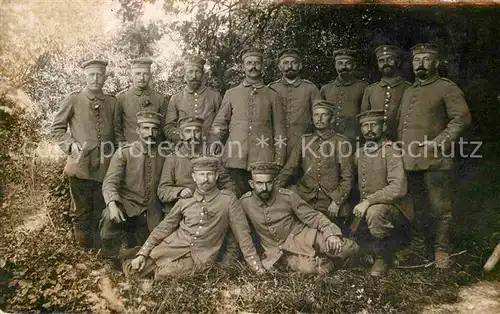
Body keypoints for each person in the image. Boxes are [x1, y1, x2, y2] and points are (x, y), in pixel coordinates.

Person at [123, 157, 264, 279]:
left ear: (216, 176)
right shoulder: (186, 199)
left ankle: (151, 272)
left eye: (209, 174)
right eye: (201, 174)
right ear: (194, 177)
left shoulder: (228, 200)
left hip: (200, 258)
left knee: (165, 274)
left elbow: (243, 235)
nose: (205, 179)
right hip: (172, 246)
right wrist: (143, 253)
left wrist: (257, 267)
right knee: (133, 270)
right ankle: (134, 255)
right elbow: (164, 227)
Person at [397, 43, 471, 268]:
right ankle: (419, 248)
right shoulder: (410, 90)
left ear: (436, 63)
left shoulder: (446, 88)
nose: (420, 64)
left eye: (426, 59)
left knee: (440, 207)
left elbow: (461, 119)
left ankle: (441, 250)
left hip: (436, 160)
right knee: (416, 207)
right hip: (410, 160)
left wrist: (438, 142)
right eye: (417, 60)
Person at [240, 162, 359, 274]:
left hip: (302, 236)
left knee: (349, 249)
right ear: (252, 184)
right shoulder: (245, 203)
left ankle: (326, 255)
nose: (264, 188)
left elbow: (313, 216)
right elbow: (243, 236)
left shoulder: (287, 196)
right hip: (280, 252)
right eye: (259, 183)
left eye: (268, 183)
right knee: (309, 268)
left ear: (274, 182)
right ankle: (327, 261)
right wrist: (255, 264)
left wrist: (330, 234)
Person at [51, 59, 119, 248]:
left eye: (99, 75)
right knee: (81, 211)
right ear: (85, 76)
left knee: (101, 209)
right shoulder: (74, 99)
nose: (95, 78)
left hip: (106, 165)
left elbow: (118, 132)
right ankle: (83, 253)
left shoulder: (112, 102)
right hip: (80, 164)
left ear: (105, 77)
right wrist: (70, 145)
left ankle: (100, 251)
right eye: (91, 75)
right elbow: (57, 128)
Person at [210, 47, 286, 197]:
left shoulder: (272, 95)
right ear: (243, 66)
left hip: (263, 158)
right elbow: (219, 124)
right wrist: (215, 142)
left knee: (261, 202)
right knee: (235, 199)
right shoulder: (232, 94)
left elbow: (279, 129)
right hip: (235, 158)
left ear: (262, 66)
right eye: (249, 63)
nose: (253, 67)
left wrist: (279, 158)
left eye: (257, 63)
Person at [351, 110, 412, 276]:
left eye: (373, 125)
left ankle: (381, 257)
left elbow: (397, 188)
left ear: (383, 127)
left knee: (375, 212)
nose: (368, 129)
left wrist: (368, 201)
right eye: (365, 126)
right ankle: (378, 251)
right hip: (367, 209)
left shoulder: (391, 151)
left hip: (393, 210)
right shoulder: (360, 153)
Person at [276, 100, 353, 229]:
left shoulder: (341, 142)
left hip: (328, 198)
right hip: (305, 195)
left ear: (332, 119)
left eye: (324, 115)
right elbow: (289, 168)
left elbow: (347, 177)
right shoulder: (304, 140)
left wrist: (337, 201)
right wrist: (274, 187)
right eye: (316, 115)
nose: (320, 118)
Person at [100, 111, 167, 258]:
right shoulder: (124, 153)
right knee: (108, 217)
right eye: (146, 128)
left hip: (152, 210)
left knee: (150, 250)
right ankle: (110, 258)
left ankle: (130, 254)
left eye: (154, 129)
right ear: (138, 130)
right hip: (127, 207)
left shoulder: (164, 155)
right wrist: (112, 204)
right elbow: (110, 183)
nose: (150, 133)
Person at [157, 116, 235, 212]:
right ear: (181, 135)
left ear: (201, 134)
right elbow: (162, 191)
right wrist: (179, 192)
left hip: (209, 208)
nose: (192, 136)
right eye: (188, 131)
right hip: (181, 210)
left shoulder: (211, 155)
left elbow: (227, 183)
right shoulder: (173, 159)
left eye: (196, 131)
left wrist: (223, 200)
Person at [269, 48, 321, 159]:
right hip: (276, 144)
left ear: (300, 66)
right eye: (286, 63)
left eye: (294, 63)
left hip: (304, 144)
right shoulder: (271, 88)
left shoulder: (310, 88)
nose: (290, 66)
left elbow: (319, 117)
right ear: (280, 67)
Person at [165, 55, 222, 143]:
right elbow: (169, 127)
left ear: (203, 75)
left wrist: (213, 140)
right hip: (184, 146)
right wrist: (183, 137)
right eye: (190, 72)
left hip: (208, 146)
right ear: (184, 75)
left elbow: (221, 124)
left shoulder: (215, 97)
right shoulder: (176, 99)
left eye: (197, 72)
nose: (194, 76)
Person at [361, 45, 411, 141]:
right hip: (376, 141)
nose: (385, 63)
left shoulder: (408, 88)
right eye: (381, 61)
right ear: (378, 65)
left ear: (398, 63)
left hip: (401, 141)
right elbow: (364, 119)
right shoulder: (370, 90)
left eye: (389, 60)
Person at [115, 57, 168, 144]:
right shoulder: (121, 98)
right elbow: (116, 127)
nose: (142, 78)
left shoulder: (159, 99)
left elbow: (165, 127)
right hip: (130, 151)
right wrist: (123, 147)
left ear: (150, 75)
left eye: (145, 74)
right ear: (131, 75)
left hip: (154, 150)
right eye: (138, 74)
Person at [320, 49, 368, 144]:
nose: (344, 67)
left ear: (354, 65)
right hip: (330, 140)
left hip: (355, 140)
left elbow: (366, 116)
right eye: (340, 63)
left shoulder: (363, 87)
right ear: (335, 65)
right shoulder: (326, 89)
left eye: (348, 63)